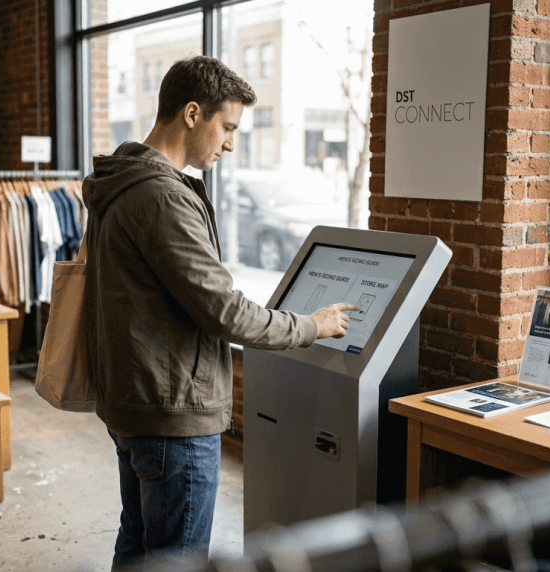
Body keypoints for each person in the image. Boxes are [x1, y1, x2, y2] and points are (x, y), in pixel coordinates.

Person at [81, 55, 358, 570]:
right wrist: (311, 326)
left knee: (138, 546)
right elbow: (224, 311)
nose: (230, 142)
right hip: (173, 415)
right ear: (191, 113)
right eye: (226, 127)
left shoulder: (120, 181)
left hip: (133, 400)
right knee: (176, 558)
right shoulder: (161, 198)